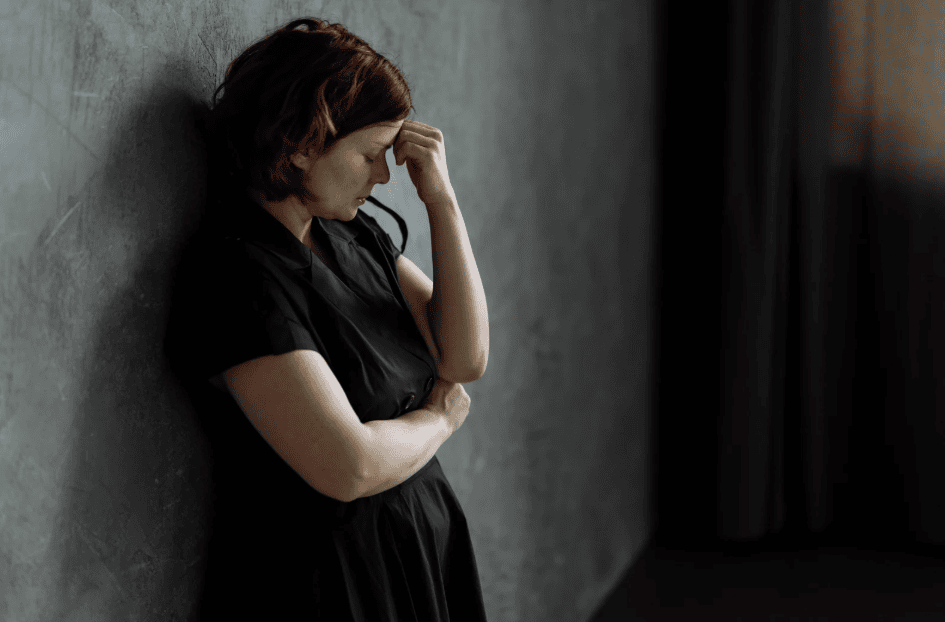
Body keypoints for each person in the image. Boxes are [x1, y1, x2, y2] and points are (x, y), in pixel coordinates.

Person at [166, 17, 490, 620]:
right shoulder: (237, 278)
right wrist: (439, 419)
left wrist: (442, 202)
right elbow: (349, 466)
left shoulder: (351, 234)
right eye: (370, 154)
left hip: (413, 553)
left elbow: (464, 357)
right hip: (328, 586)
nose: (384, 175)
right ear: (301, 142)